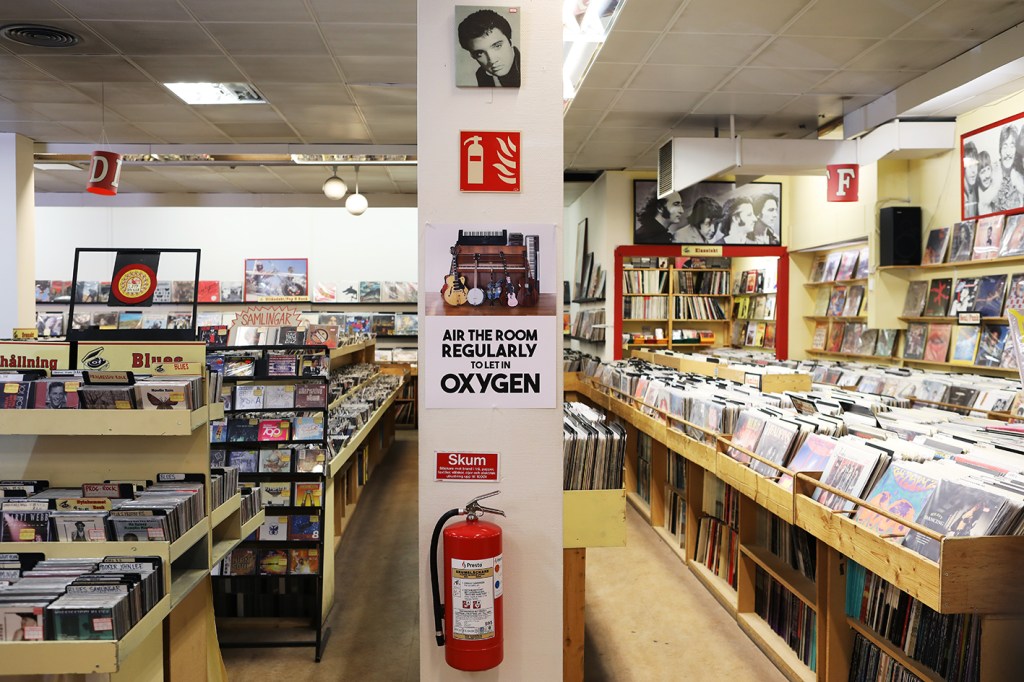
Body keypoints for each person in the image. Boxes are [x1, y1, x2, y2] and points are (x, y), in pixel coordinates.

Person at [457, 9, 521, 87]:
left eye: (497, 46)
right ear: (472, 55)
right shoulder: (482, 75)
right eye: (480, 53)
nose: (492, 60)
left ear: (510, 42)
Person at [992, 124, 1020, 212]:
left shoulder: (1021, 174)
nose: (1008, 152)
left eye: (1012, 146)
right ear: (1000, 150)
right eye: (1004, 146)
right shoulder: (991, 173)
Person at [963, 141, 980, 218]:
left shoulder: (975, 189)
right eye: (970, 166)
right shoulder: (960, 195)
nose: (974, 171)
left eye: (975, 165)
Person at [978, 150, 997, 215]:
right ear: (978, 175)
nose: (987, 175)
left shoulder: (992, 184)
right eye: (982, 172)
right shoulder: (979, 195)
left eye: (988, 169)